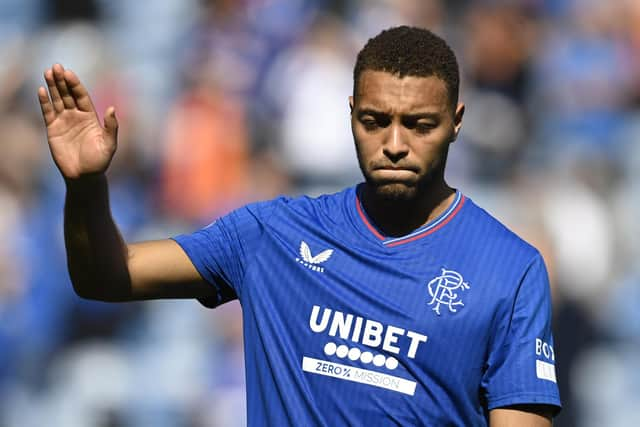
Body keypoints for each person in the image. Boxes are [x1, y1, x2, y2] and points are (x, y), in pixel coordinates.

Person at [38, 26, 561, 426]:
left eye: (420, 124)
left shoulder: (510, 270)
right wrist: (86, 186)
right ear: (351, 113)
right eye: (375, 121)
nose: (396, 144)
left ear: (456, 122)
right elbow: (105, 276)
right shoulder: (271, 236)